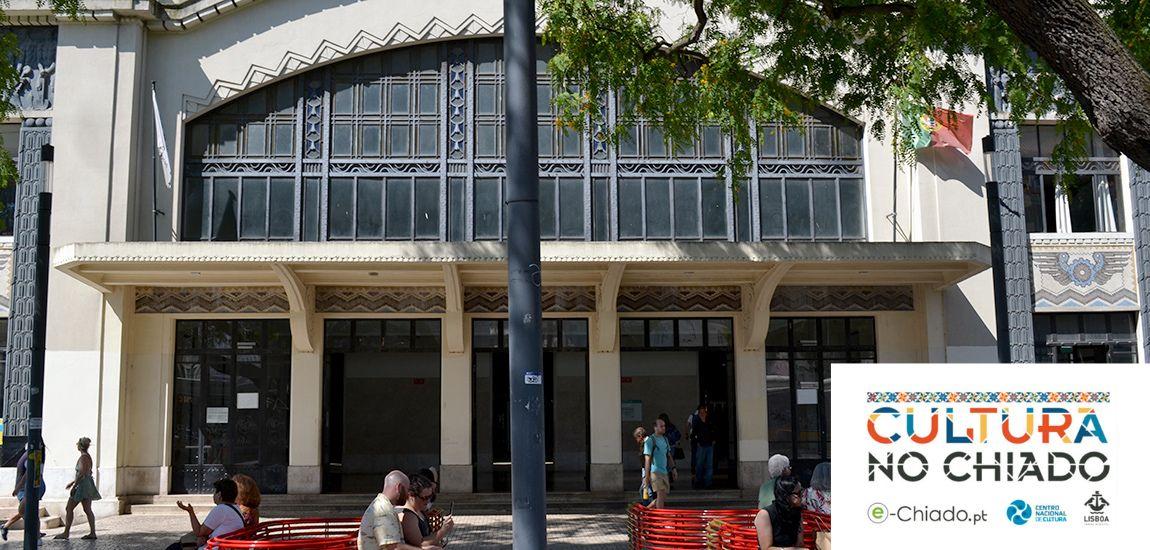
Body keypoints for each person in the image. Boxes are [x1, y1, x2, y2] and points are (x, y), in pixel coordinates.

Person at [358, 470, 434, 550]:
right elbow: (393, 547)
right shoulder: (383, 509)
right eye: (407, 490)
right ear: (399, 488)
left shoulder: (385, 506)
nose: (408, 495)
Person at [168, 478, 246, 550]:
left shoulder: (221, 509)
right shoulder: (236, 508)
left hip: (214, 547)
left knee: (173, 548)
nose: (213, 495)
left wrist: (190, 512)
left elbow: (199, 532)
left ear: (219, 495)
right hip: (225, 546)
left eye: (215, 492)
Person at [55, 437, 101, 540]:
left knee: (69, 508)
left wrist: (74, 486)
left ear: (80, 446)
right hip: (87, 484)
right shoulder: (88, 457)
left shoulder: (83, 458)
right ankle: (92, 532)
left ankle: (66, 532)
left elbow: (81, 473)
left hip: (82, 486)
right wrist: (72, 482)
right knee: (87, 509)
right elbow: (85, 472)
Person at [398, 474, 454, 548]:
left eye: (430, 496)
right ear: (411, 495)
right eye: (424, 498)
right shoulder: (409, 517)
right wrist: (443, 530)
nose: (428, 501)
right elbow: (421, 544)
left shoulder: (420, 511)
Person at [1, 448, 46, 541]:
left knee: (25, 511)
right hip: (27, 488)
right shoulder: (32, 454)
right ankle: (6, 526)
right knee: (27, 510)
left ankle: (35, 535)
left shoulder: (35, 454)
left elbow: (30, 473)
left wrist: (17, 488)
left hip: (28, 488)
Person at [754, 475, 805, 550]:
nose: (802, 495)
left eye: (802, 491)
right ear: (786, 495)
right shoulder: (765, 514)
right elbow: (766, 548)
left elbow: (800, 544)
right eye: (799, 493)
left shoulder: (796, 512)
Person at [642, 417, 676, 509]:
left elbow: (668, 455)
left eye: (664, 426)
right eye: (661, 426)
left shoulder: (665, 439)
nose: (664, 428)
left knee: (662, 497)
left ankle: (646, 511)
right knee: (660, 494)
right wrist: (647, 476)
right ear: (655, 427)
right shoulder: (650, 440)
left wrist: (673, 469)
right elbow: (647, 459)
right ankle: (659, 517)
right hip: (655, 472)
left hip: (664, 471)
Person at [688, 403, 715, 489]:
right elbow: (694, 432)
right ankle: (698, 481)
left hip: (709, 445)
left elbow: (713, 430)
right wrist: (696, 441)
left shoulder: (709, 420)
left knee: (709, 465)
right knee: (699, 464)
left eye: (704, 412)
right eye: (701, 412)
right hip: (701, 445)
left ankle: (708, 483)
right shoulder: (696, 421)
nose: (702, 414)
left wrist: (714, 440)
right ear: (698, 413)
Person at [633, 426, 653, 505]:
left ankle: (648, 508)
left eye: (636, 438)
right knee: (644, 490)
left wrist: (646, 476)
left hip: (648, 470)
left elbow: (648, 460)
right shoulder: (645, 443)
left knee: (646, 490)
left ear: (640, 436)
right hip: (646, 470)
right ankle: (648, 507)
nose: (636, 441)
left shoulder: (647, 443)